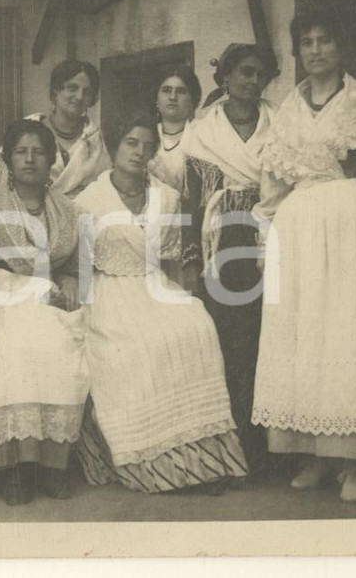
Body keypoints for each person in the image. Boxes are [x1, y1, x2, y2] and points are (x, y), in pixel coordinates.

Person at [251, 9, 356, 502]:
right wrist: (265, 239)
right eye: (307, 42)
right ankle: (314, 455)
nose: (316, 50)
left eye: (325, 40)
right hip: (297, 234)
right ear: (298, 51)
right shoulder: (286, 112)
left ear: (341, 48)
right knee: (306, 338)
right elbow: (272, 186)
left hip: (350, 228)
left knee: (348, 331)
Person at [73, 112, 247, 494]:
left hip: (154, 283)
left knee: (195, 326)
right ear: (115, 147)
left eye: (147, 146)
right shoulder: (88, 202)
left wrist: (184, 296)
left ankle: (204, 460)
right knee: (139, 346)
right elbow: (81, 267)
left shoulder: (166, 197)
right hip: (109, 290)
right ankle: (156, 462)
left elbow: (171, 260)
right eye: (131, 143)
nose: (139, 152)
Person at [0, 119, 90, 505]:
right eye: (21, 152)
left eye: (38, 152)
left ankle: (52, 467)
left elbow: (76, 268)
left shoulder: (67, 211)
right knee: (16, 354)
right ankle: (16, 469)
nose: (30, 159)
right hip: (0, 297)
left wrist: (69, 282)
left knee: (61, 351)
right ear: (7, 160)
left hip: (49, 297)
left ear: (51, 160)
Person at [180, 43, 279, 472]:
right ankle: (230, 451)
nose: (253, 81)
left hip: (270, 235)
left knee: (266, 337)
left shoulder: (281, 124)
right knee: (226, 341)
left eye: (260, 74)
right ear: (225, 77)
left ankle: (267, 450)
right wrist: (189, 259)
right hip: (220, 241)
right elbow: (190, 201)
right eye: (244, 72)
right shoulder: (202, 132)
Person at [0, 60, 110, 198]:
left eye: (87, 91)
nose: (80, 96)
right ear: (56, 92)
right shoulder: (22, 133)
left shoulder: (98, 143)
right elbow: (4, 192)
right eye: (72, 88)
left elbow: (103, 194)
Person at [147, 65, 204, 292]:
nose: (173, 97)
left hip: (192, 227)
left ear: (192, 100)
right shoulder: (144, 134)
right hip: (153, 228)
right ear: (156, 99)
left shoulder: (202, 134)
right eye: (166, 90)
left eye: (181, 91)